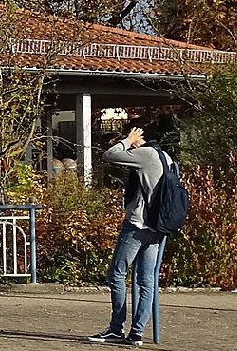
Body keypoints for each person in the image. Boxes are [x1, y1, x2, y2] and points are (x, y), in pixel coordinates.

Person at [86, 127, 168, 346]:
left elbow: (110, 154)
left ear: (142, 138)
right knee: (146, 280)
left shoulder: (146, 154)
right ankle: (137, 334)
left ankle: (116, 328)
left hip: (137, 225)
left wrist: (127, 140)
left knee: (116, 274)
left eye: (136, 137)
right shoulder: (167, 157)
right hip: (157, 228)